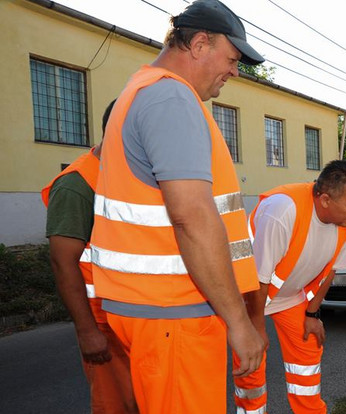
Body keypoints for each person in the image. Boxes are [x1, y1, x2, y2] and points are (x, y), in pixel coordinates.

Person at [88, 1, 266, 412]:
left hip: (160, 311)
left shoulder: (144, 91)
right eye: (233, 58)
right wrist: (240, 323)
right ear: (201, 43)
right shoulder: (170, 98)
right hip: (172, 315)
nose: (234, 71)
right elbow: (192, 216)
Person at [234, 160, 346, 414]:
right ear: (326, 200)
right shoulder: (282, 210)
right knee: (251, 362)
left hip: (289, 297)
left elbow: (331, 270)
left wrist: (312, 314)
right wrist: (256, 329)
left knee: (307, 355)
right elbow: (258, 279)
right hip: (249, 296)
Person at [42, 99, 138, 414]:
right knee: (116, 406)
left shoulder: (130, 175)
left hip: (141, 321)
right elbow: (63, 261)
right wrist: (87, 332)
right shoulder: (77, 184)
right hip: (104, 324)